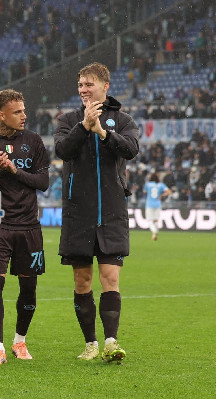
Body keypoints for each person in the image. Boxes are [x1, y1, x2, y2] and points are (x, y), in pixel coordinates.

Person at [54, 62, 139, 363]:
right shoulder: (68, 120)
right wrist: (83, 127)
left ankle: (111, 342)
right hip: (78, 213)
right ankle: (90, 343)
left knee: (110, 278)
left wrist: (102, 132)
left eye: (89, 84)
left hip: (112, 211)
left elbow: (131, 149)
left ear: (105, 86)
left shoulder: (123, 120)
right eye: (80, 85)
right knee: (82, 282)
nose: (83, 89)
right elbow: (62, 150)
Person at [0, 89, 50, 366]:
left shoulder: (34, 141)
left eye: (24, 110)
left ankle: (20, 341)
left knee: (29, 289)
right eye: (18, 112)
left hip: (29, 227)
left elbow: (43, 182)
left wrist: (15, 170)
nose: (24, 115)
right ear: (1, 115)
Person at [144, 173, 172, 241]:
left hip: (149, 204)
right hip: (157, 204)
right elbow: (169, 192)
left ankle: (154, 231)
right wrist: (162, 195)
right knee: (156, 220)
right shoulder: (161, 185)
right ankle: (155, 233)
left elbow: (145, 192)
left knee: (149, 220)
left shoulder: (148, 184)